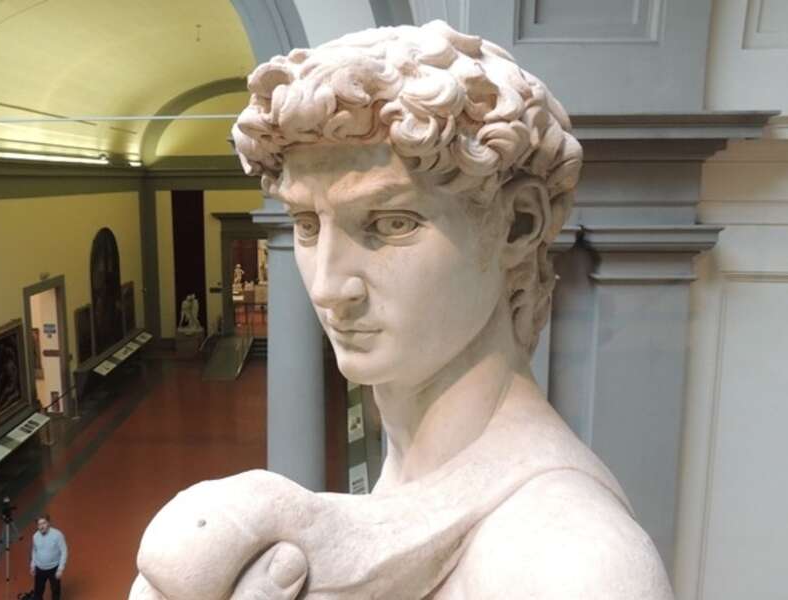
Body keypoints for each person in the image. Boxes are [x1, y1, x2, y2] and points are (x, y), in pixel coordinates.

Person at [130, 20, 673, 599]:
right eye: (307, 224)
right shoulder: (414, 472)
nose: (329, 287)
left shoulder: (574, 567)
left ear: (518, 224)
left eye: (392, 223)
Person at [30, 514, 67, 600]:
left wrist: (60, 569)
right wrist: (32, 565)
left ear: (48, 523)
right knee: (38, 592)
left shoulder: (57, 535)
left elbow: (64, 551)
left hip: (53, 568)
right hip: (39, 569)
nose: (42, 526)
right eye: (39, 524)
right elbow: (34, 551)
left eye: (44, 523)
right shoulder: (35, 536)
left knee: (55, 591)